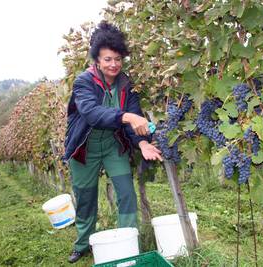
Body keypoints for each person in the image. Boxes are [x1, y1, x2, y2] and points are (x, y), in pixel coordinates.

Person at [63, 21, 163, 263]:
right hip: (84, 149)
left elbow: (134, 118)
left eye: (118, 59)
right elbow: (92, 113)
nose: (113, 64)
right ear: (97, 59)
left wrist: (142, 143)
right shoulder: (83, 82)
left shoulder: (126, 84)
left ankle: (127, 243)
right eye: (108, 59)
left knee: (127, 193)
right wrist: (127, 117)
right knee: (86, 198)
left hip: (112, 146)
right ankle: (83, 243)